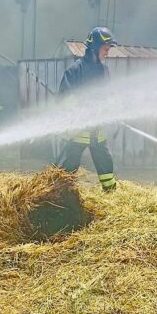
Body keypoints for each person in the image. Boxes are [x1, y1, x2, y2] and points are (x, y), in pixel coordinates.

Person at [57, 27, 117, 191]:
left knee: (105, 163)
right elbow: (65, 99)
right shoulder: (75, 71)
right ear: (95, 48)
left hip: (97, 131)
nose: (107, 53)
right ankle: (60, 195)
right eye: (106, 49)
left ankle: (110, 193)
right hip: (78, 132)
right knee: (68, 167)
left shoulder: (104, 71)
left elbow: (108, 96)